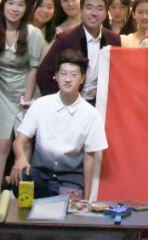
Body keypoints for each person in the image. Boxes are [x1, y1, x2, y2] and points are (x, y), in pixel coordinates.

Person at [9, 50, 108, 200]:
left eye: (73, 75)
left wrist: (86, 199)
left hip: (70, 179)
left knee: (70, 205)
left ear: (82, 78)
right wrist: (20, 158)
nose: (68, 80)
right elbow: (19, 141)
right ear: (56, 76)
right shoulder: (41, 104)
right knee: (21, 175)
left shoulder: (91, 115)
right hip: (40, 174)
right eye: (63, 74)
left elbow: (89, 158)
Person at [0, 0, 42, 195]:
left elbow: (33, 69)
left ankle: (21, 194)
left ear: (26, 9)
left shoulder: (33, 33)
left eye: (20, 4)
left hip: (25, 91)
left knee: (24, 145)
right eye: (11, 3)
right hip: (0, 91)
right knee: (0, 145)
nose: (15, 9)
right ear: (3, 5)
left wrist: (27, 102)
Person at [37, 0, 121, 101]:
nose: (94, 13)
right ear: (81, 11)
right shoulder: (66, 39)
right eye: (89, 8)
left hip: (101, 102)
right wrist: (61, 99)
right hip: (70, 101)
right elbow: (43, 74)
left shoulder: (113, 39)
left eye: (99, 9)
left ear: (106, 13)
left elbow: (117, 76)